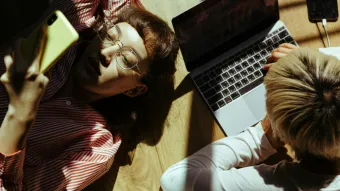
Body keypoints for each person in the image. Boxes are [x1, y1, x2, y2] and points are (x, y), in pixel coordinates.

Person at [0, 1, 179, 190]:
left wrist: (20, 115)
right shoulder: (70, 30)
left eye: (126, 59)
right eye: (109, 36)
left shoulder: (97, 146)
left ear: (134, 90)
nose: (105, 51)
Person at [160, 44, 340, 191]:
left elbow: (174, 179)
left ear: (281, 132)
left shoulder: (273, 185)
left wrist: (259, 138)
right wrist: (316, 63)